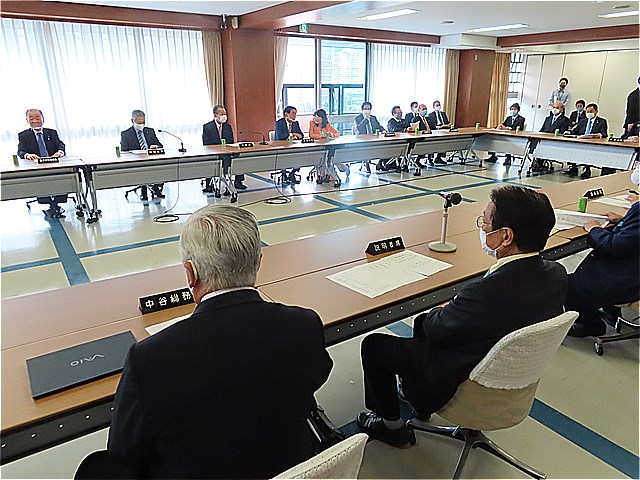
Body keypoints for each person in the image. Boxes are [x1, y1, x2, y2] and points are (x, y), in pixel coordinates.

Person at [106, 205, 333, 478]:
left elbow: (124, 451)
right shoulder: (304, 324)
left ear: (190, 273)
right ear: (258, 261)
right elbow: (318, 375)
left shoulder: (150, 358)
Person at [356, 185, 567, 447]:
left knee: (375, 345)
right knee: (424, 328)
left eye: (485, 222)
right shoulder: (557, 274)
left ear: (506, 236)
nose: (482, 228)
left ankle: (392, 427)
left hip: (465, 378)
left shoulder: (486, 292)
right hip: (507, 376)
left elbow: (438, 330)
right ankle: (412, 397)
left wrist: (445, 308)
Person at [565, 167, 639, 337]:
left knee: (570, 284)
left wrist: (595, 229)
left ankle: (590, 325)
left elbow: (613, 246)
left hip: (630, 277)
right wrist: (624, 220)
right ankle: (610, 310)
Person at [17, 108, 67, 218]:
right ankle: (49, 203)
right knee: (40, 181)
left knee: (64, 178)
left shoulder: (51, 132)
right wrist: (27, 155)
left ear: (43, 119)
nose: (35, 121)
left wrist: (60, 151)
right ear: (27, 120)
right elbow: (20, 151)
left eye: (37, 117)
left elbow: (61, 145)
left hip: (54, 164)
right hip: (37, 167)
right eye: (31, 118)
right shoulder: (24, 135)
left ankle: (56, 203)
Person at [120, 109, 164, 201]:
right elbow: (124, 151)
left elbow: (160, 145)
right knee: (143, 169)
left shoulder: (150, 131)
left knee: (161, 166)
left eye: (143, 122)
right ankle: (143, 191)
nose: (141, 124)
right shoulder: (126, 134)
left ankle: (156, 188)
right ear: (132, 121)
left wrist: (155, 146)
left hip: (150, 158)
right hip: (136, 161)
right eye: (139, 122)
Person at [203, 105, 247, 193]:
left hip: (226, 153)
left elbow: (231, 141)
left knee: (238, 157)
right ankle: (209, 184)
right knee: (210, 160)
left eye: (225, 114)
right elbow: (206, 143)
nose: (224, 116)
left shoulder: (227, 127)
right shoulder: (207, 127)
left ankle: (238, 181)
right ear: (215, 115)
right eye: (222, 114)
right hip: (214, 154)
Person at [567, 102, 609, 178]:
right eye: (587, 111)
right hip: (581, 142)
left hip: (593, 143)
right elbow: (575, 131)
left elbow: (604, 134)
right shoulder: (583, 121)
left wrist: (598, 135)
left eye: (591, 111)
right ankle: (573, 168)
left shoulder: (602, 121)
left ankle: (587, 170)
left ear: (596, 111)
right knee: (571, 148)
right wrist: (569, 132)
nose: (589, 113)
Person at [532, 101, 571, 173]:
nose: (555, 109)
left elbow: (561, 132)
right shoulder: (548, 118)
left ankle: (540, 162)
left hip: (554, 140)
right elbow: (542, 130)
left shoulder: (565, 120)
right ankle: (536, 159)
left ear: (562, 109)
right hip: (544, 138)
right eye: (554, 107)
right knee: (534, 140)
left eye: (557, 108)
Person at [275, 105, 304, 185]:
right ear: (286, 114)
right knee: (284, 157)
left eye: (295, 114)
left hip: (293, 146)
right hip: (281, 147)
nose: (295, 116)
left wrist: (296, 135)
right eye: (293, 113)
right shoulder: (279, 123)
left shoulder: (295, 123)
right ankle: (284, 174)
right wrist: (293, 134)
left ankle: (292, 174)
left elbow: (301, 135)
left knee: (300, 156)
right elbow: (280, 137)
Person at [309, 108, 340, 182]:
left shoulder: (327, 124)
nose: (315, 118)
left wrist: (332, 135)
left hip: (327, 145)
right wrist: (321, 136)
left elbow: (337, 133)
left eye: (317, 116)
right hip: (317, 146)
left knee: (331, 152)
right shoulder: (312, 123)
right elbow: (311, 135)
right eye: (314, 116)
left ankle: (328, 172)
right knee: (322, 156)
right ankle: (321, 173)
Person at [564, 99, 587, 176]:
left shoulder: (585, 114)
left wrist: (577, 123)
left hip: (582, 134)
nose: (579, 107)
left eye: (580, 106)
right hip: (574, 131)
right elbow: (570, 122)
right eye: (578, 106)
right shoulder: (573, 113)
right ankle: (572, 167)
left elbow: (582, 123)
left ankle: (586, 169)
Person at [427, 100, 451, 164]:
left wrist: (447, 125)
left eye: (439, 105)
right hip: (435, 130)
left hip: (444, 130)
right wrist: (438, 127)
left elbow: (447, 122)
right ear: (433, 106)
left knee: (445, 141)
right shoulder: (431, 115)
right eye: (437, 105)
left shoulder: (443, 113)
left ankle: (439, 157)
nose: (439, 106)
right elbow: (432, 125)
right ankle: (430, 157)